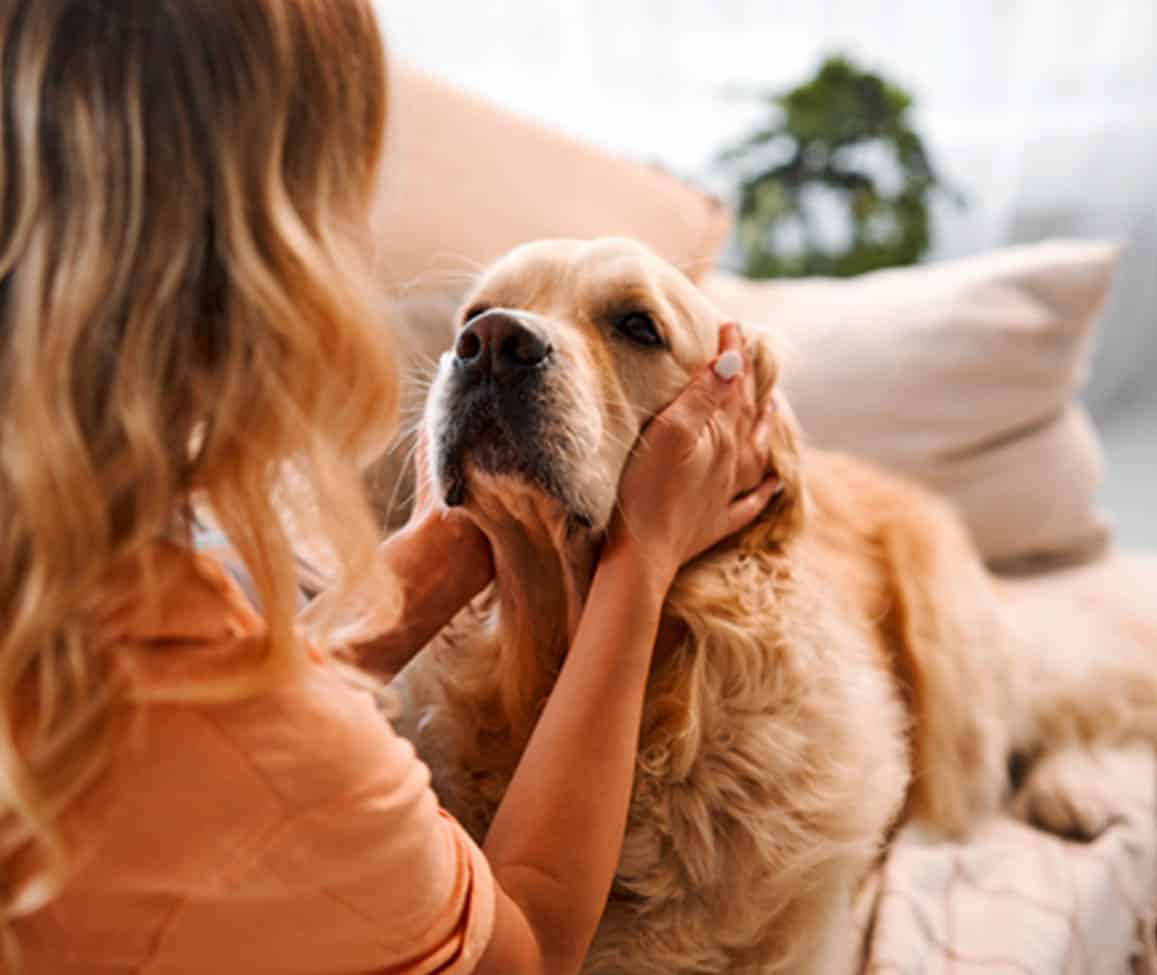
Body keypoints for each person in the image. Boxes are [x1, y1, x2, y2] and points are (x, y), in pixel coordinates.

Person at [0, 2, 777, 973]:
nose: (497, 344)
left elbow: (226, 704)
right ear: (270, 267)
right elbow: (527, 945)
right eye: (343, 201)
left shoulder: (101, 594)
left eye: (631, 328)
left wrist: (441, 549)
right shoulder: (280, 767)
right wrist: (640, 561)